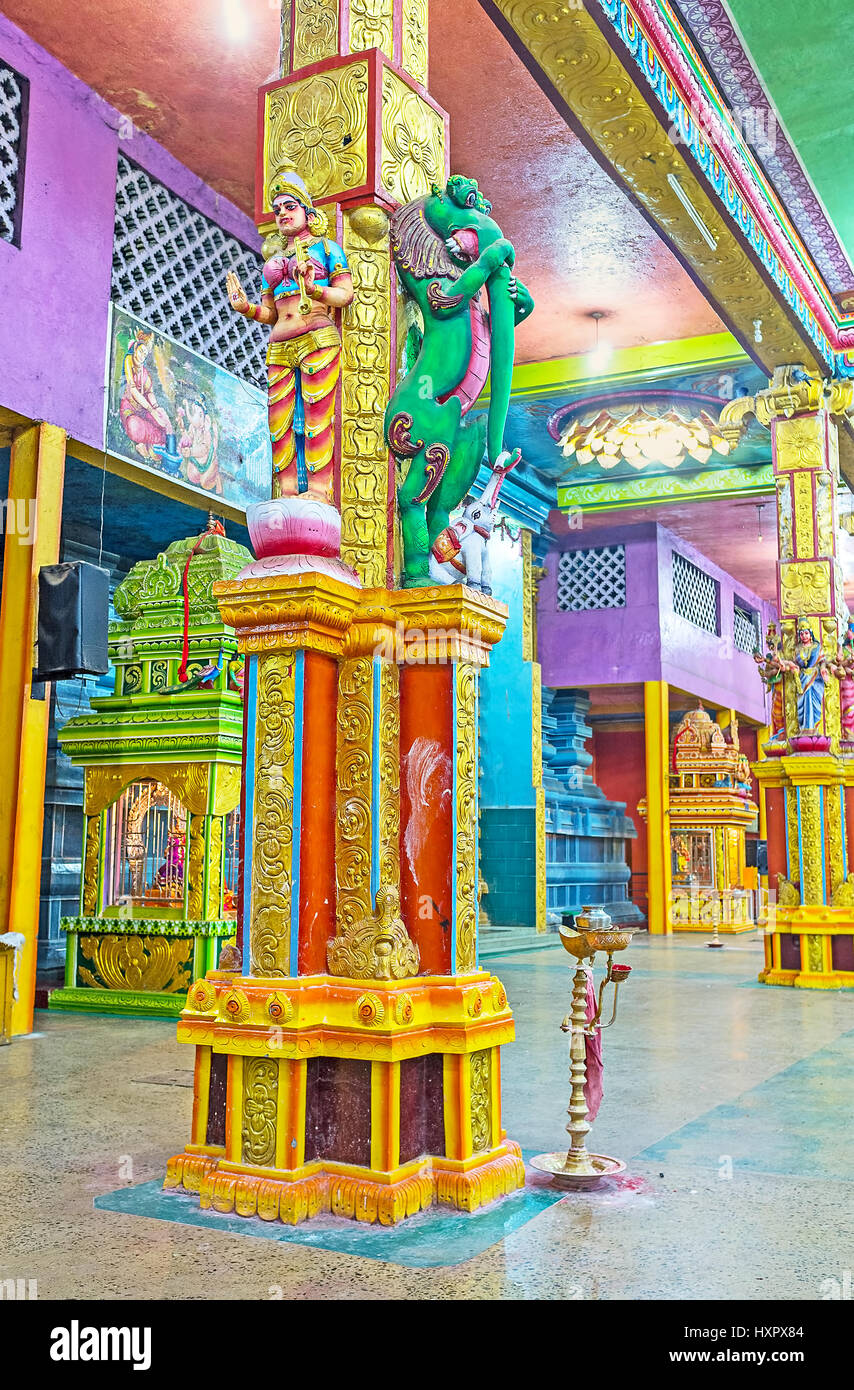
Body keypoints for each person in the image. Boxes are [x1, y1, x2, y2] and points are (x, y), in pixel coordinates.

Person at [225, 170, 354, 502]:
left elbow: (345, 295)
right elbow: (271, 313)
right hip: (279, 346)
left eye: (289, 206)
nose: (282, 213)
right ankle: (286, 493)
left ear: (308, 214)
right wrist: (246, 309)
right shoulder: (274, 263)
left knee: (316, 416)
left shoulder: (327, 249)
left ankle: (318, 491)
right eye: (277, 208)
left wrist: (314, 289)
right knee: (279, 423)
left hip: (317, 338)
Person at [119, 330, 172, 460]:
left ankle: (154, 443)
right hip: (130, 409)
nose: (143, 356)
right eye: (141, 351)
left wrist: (157, 409)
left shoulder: (145, 373)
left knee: (164, 417)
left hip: (144, 411)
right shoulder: (129, 361)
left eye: (145, 354)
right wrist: (152, 412)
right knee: (134, 426)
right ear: (136, 349)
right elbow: (133, 390)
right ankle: (152, 441)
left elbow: (150, 393)